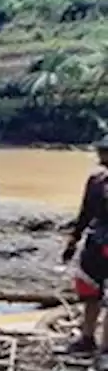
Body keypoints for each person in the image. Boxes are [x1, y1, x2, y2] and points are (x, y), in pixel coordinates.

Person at [61, 136, 108, 358]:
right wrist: (73, 240)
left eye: (104, 151)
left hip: (100, 242)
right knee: (90, 293)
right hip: (96, 244)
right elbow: (85, 214)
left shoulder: (97, 181)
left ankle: (106, 349)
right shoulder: (95, 181)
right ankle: (87, 338)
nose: (100, 155)